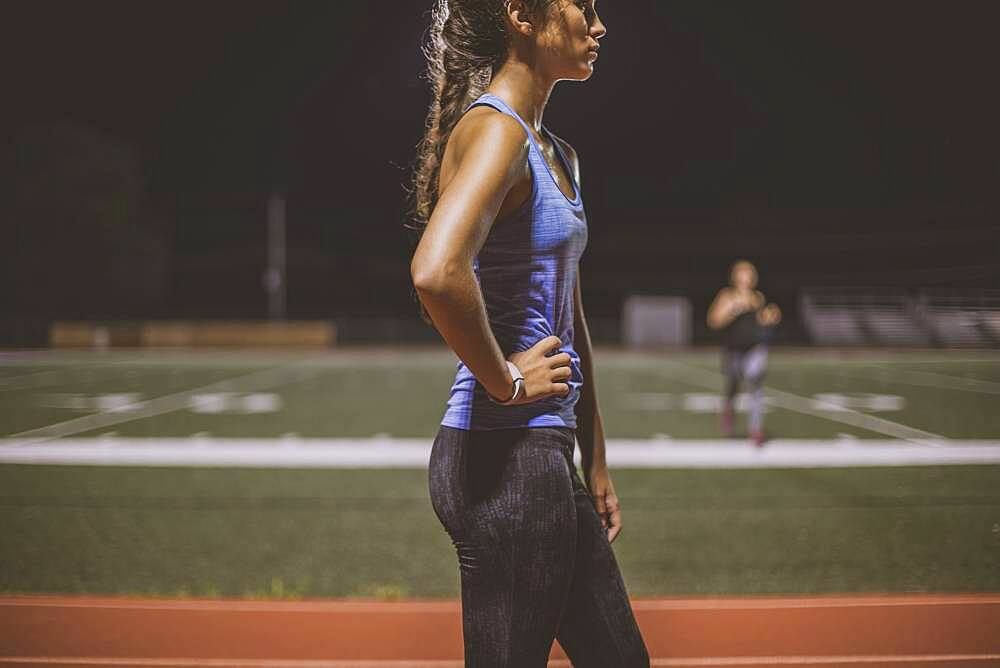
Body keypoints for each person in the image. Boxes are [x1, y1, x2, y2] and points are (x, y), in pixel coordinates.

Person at [406, 1, 649, 665]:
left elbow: (571, 318)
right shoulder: (497, 133)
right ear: (521, 14)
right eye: (585, 9)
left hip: (546, 454)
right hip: (503, 454)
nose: (599, 27)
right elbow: (435, 271)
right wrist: (507, 380)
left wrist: (594, 458)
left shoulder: (557, 152)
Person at [706, 260, 781, 447]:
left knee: (755, 382)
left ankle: (755, 430)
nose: (746, 278)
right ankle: (728, 410)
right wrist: (733, 311)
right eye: (743, 274)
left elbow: (761, 322)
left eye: (749, 274)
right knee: (733, 385)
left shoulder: (758, 298)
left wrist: (771, 316)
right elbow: (714, 321)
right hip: (734, 349)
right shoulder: (727, 296)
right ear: (735, 277)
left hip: (754, 348)